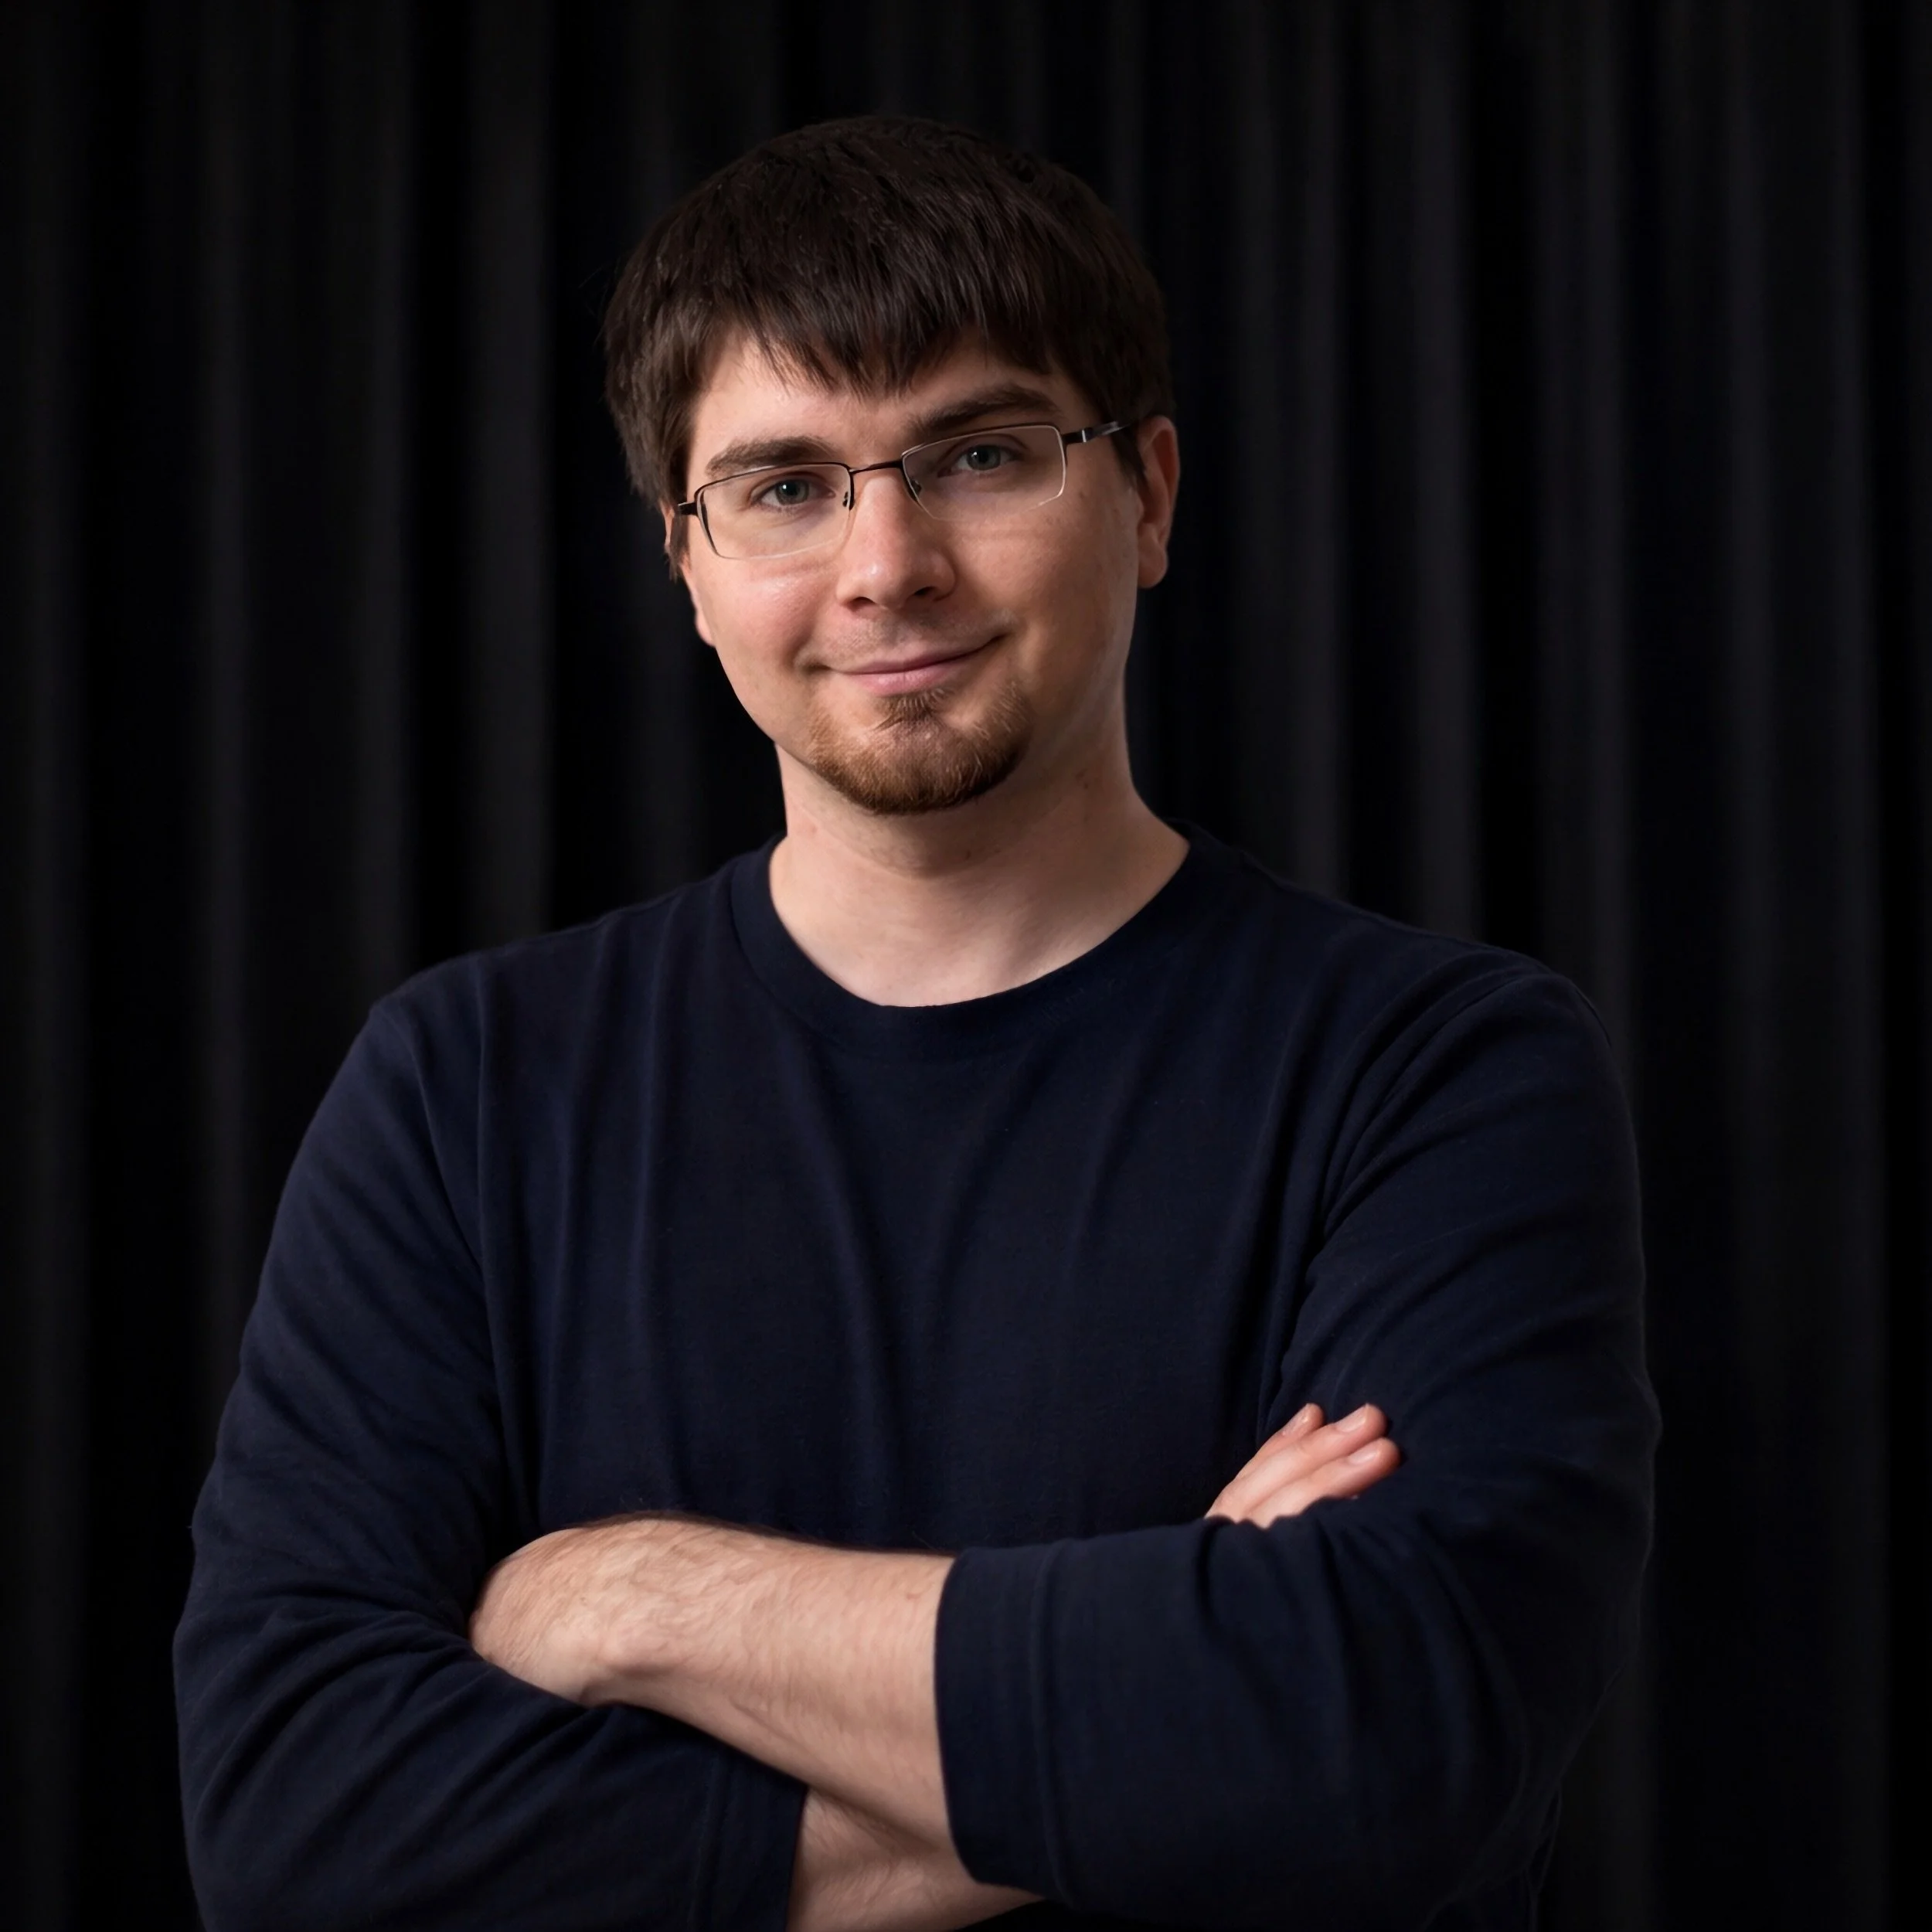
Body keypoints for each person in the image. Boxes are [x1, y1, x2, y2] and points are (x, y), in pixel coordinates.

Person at [175, 117, 1656, 1932]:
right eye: (784, 485)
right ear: (688, 565)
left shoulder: (1438, 1069)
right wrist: (1157, 1685)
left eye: (979, 453)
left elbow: (1387, 1747)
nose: (887, 564)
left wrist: (637, 1599)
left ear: (1152, 492)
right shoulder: (462, 1091)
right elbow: (297, 1830)